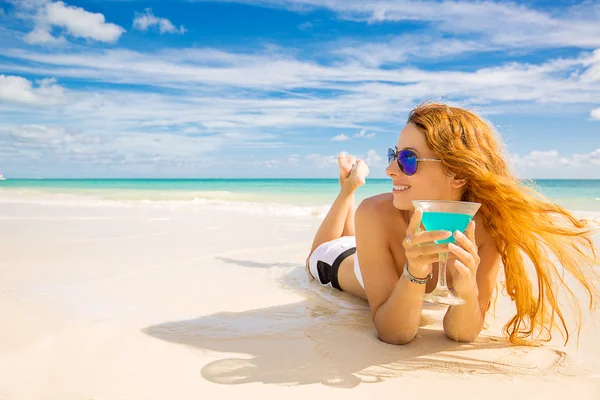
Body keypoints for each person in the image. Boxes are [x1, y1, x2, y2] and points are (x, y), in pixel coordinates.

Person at [306, 102, 600, 346]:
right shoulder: (375, 212)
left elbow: (463, 333)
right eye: (394, 156)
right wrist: (414, 273)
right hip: (337, 262)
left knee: (353, 240)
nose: (390, 169)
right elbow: (394, 333)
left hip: (372, 250)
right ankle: (347, 190)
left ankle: (348, 188)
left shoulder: (488, 227)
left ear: (458, 175)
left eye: (408, 160)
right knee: (320, 251)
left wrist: (467, 289)